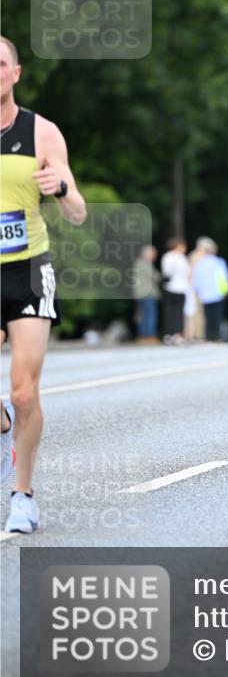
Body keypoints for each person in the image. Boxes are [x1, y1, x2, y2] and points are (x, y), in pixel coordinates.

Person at [0, 36, 87, 533]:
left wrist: (61, 189)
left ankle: (23, 496)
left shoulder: (42, 133)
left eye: (1, 64)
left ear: (16, 73)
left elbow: (76, 213)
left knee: (25, 392)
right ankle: (6, 429)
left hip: (28, 269)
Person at [191, 238, 228, 342]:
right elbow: (225, 277)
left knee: (208, 317)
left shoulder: (200, 264)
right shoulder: (219, 262)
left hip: (205, 294)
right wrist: (225, 290)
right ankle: (216, 336)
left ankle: (208, 336)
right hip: (217, 293)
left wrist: (197, 290)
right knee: (217, 316)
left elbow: (196, 279)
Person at [160, 237, 190, 344]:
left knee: (170, 312)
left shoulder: (166, 257)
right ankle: (176, 334)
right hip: (179, 287)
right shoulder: (181, 258)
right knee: (177, 312)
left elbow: (166, 272)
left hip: (171, 287)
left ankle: (170, 334)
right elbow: (187, 273)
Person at [132, 244, 161, 344]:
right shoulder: (146, 264)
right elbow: (156, 276)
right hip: (148, 293)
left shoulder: (137, 263)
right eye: (153, 254)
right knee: (150, 316)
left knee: (142, 316)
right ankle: (149, 336)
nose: (154, 256)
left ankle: (142, 336)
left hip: (140, 293)